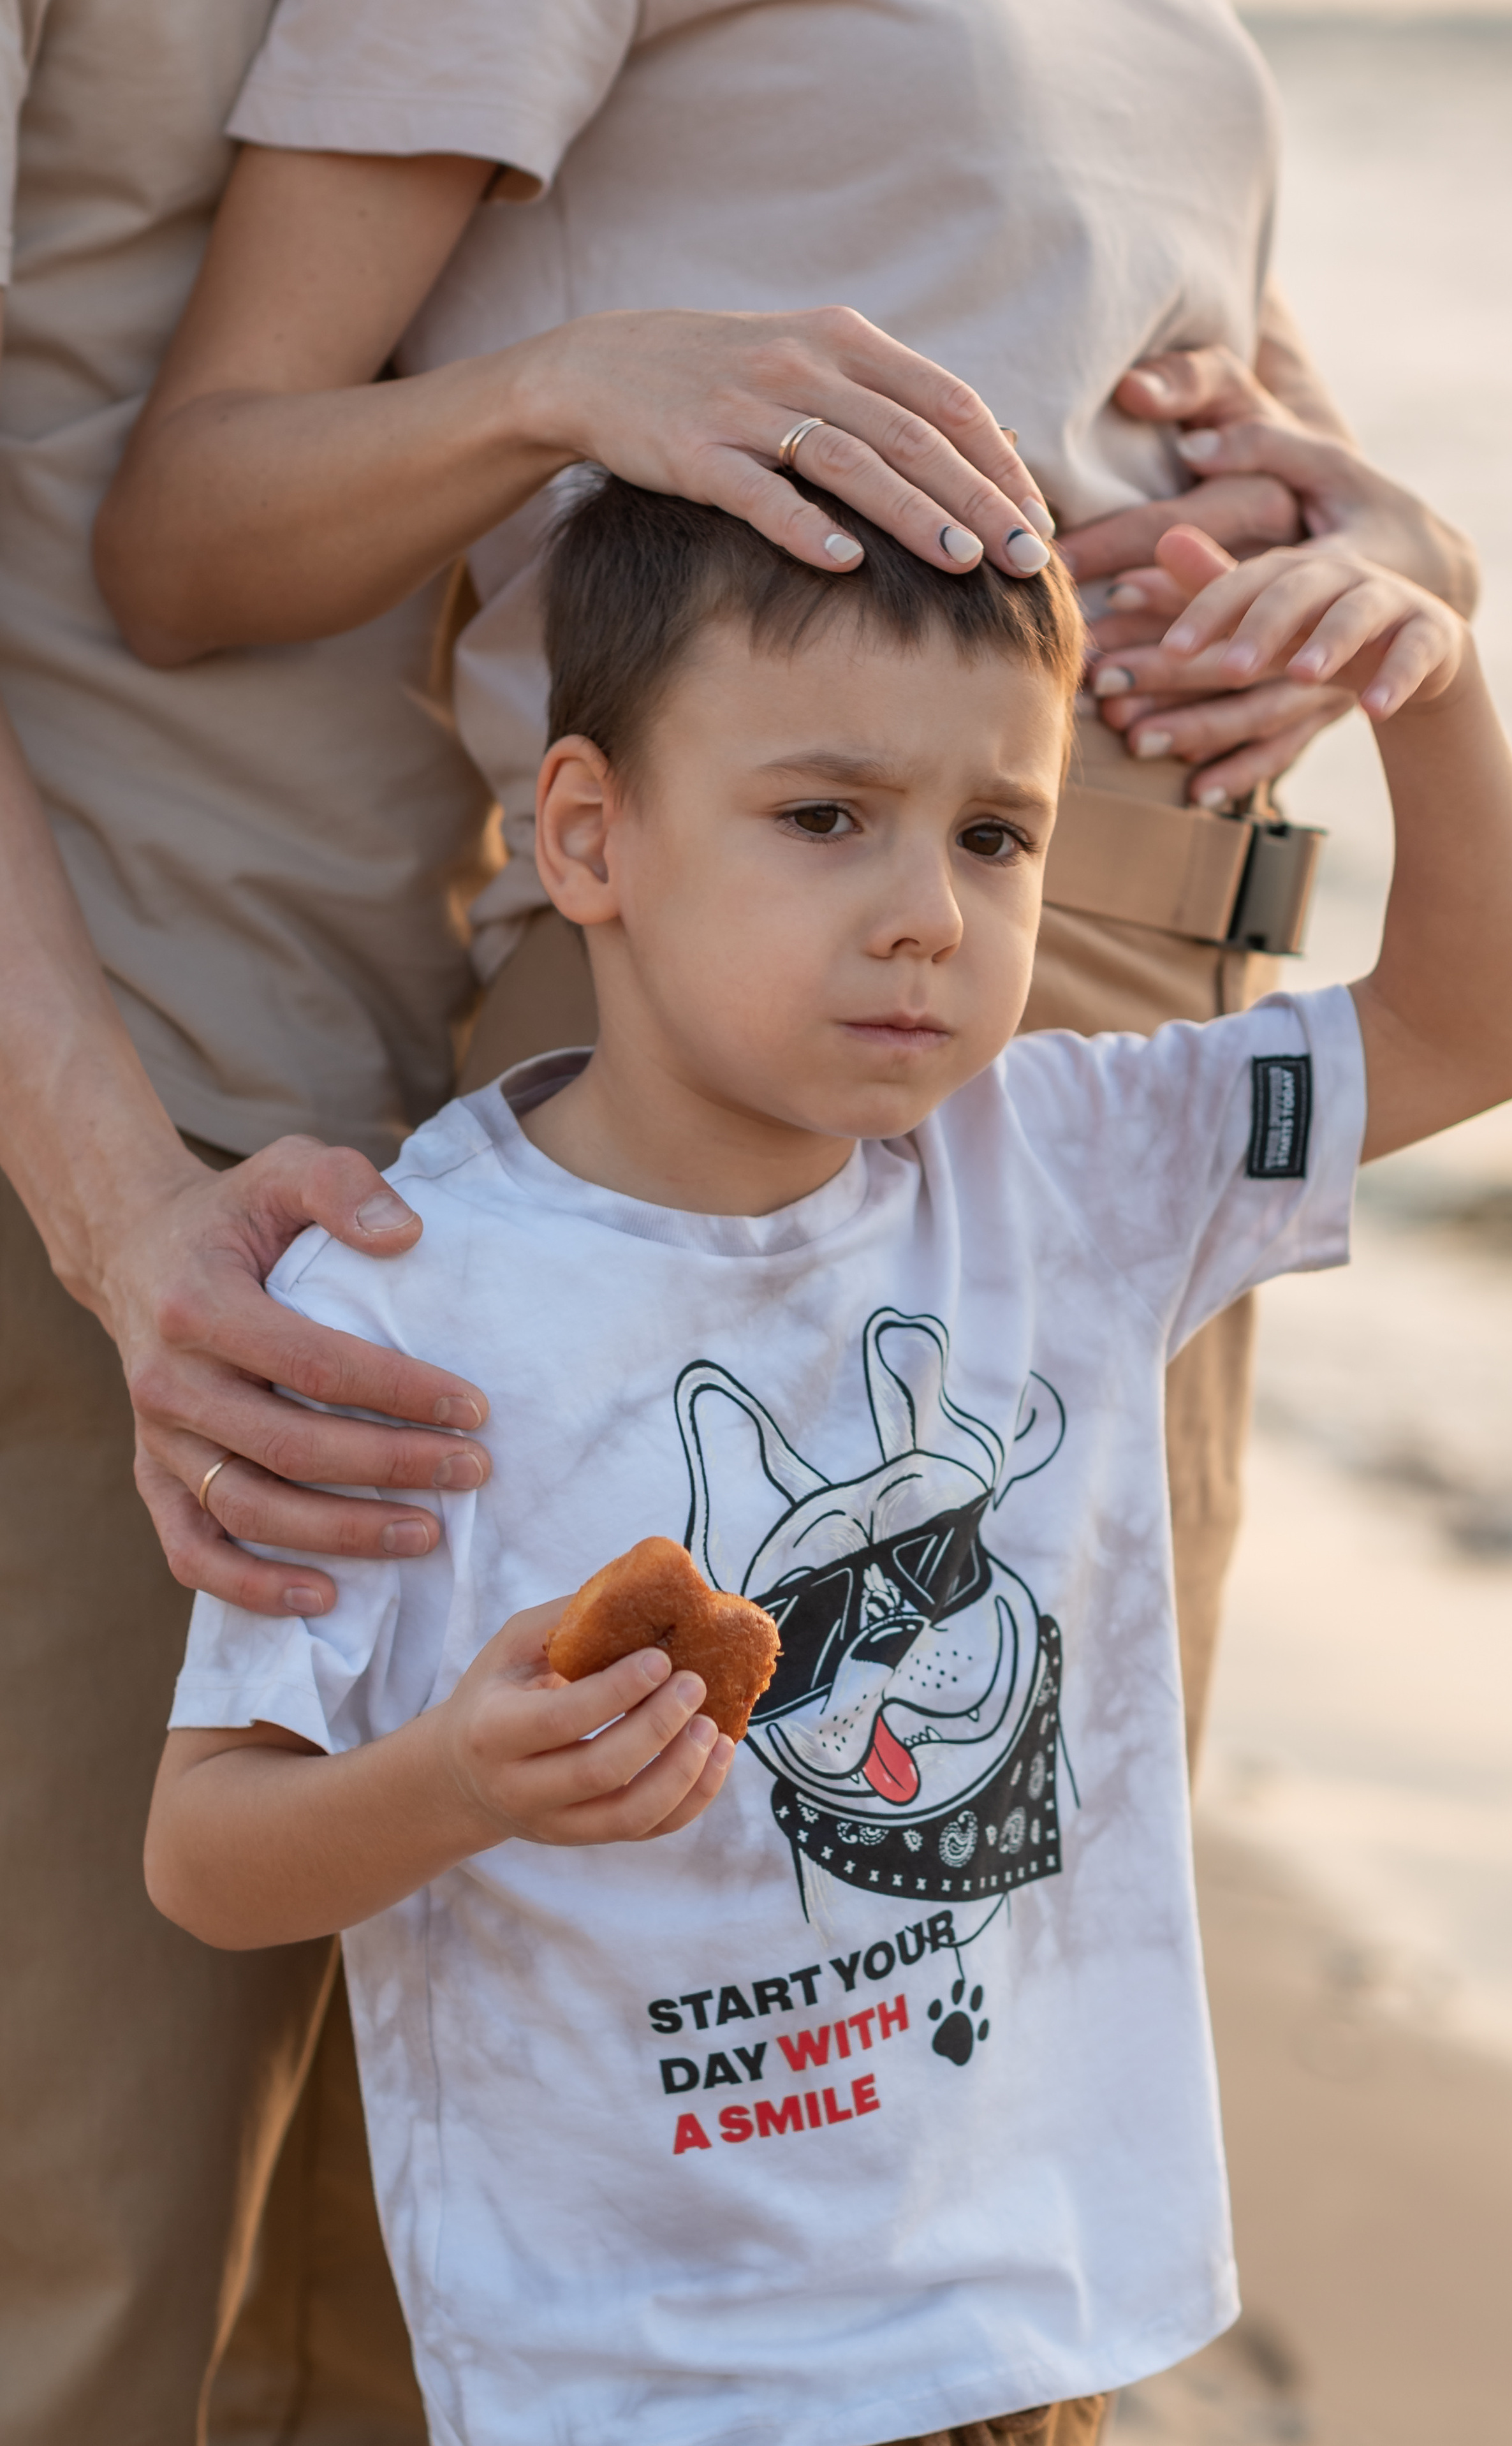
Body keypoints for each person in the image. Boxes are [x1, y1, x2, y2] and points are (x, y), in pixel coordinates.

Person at [143, 472, 1512, 2446]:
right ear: (591, 834)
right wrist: (455, 1779)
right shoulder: (404, 1300)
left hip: (1019, 2323)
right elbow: (207, 1851)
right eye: (825, 818)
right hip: (639, 2380)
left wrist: (1432, 685)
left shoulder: (1066, 1164)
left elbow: (1495, 1023)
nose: (927, 910)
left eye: (997, 834)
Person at [0, 7, 1148, 2440]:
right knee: (107, 2234)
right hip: (136, 1074)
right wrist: (116, 1207)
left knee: (661, 2141)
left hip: (512, 1043)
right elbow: (192, 507)